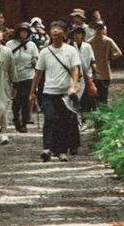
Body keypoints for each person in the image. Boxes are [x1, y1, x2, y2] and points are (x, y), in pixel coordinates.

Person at [30, 22, 81, 162]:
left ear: (64, 33)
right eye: (53, 29)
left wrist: (74, 86)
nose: (55, 31)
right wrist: (33, 91)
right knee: (49, 119)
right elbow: (38, 72)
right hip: (49, 91)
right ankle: (47, 148)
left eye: (59, 29)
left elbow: (75, 69)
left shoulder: (70, 50)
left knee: (64, 122)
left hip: (65, 92)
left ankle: (62, 151)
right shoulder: (45, 52)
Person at [69, 22, 98, 151]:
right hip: (73, 78)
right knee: (73, 103)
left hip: (86, 76)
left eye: (80, 34)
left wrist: (94, 73)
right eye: (76, 34)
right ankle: (76, 123)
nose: (78, 36)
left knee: (86, 101)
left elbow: (92, 60)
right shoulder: (69, 47)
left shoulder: (87, 46)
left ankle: (84, 120)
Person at [6, 22, 39, 131]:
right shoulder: (10, 44)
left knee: (26, 99)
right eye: (22, 31)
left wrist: (35, 61)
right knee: (16, 99)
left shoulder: (31, 45)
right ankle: (16, 118)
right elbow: (6, 58)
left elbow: (36, 57)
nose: (24, 33)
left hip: (28, 75)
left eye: (26, 32)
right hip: (14, 76)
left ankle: (24, 122)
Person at [89, 18, 123, 104]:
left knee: (104, 95)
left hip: (105, 72)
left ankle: (103, 112)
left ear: (103, 29)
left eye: (101, 28)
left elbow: (118, 53)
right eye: (97, 28)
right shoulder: (90, 42)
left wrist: (110, 57)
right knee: (95, 94)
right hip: (94, 72)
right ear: (94, 29)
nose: (99, 30)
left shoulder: (108, 41)